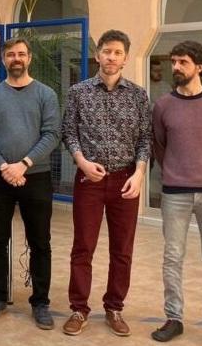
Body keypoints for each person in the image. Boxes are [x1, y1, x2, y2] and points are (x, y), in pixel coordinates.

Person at [61, 29, 151, 337]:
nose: (111, 57)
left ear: (125, 58)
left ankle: (114, 307)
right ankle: (78, 308)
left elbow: (145, 140)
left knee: (122, 249)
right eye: (106, 51)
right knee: (83, 246)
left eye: (117, 52)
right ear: (97, 54)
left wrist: (139, 175)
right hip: (89, 179)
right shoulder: (78, 92)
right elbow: (69, 133)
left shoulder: (139, 96)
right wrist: (82, 161)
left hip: (126, 180)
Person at [0, 37, 61, 329]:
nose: (16, 58)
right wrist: (3, 166)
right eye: (11, 54)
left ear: (29, 58)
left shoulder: (46, 94)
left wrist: (23, 164)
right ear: (3, 60)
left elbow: (51, 134)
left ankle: (40, 303)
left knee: (40, 242)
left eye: (21, 54)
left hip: (36, 176)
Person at [150, 41, 202, 346]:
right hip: (175, 192)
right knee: (172, 257)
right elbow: (158, 143)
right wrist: (173, 171)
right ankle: (174, 318)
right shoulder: (163, 106)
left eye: (182, 62)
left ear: (200, 66)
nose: (176, 67)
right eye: (173, 61)